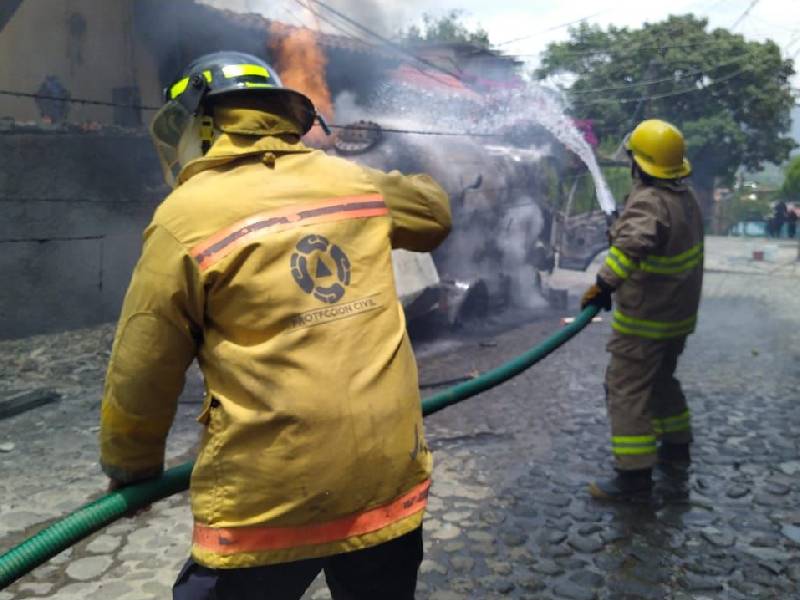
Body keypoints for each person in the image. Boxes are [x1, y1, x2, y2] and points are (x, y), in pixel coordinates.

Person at [98, 51, 451, 599]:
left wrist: (132, 467)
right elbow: (433, 214)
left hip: (270, 502)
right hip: (386, 486)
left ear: (202, 122)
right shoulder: (354, 182)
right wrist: (373, 173)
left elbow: (143, 365)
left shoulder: (183, 217)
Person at [581, 119, 703, 500]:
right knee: (662, 380)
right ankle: (677, 448)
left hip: (646, 319)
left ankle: (633, 477)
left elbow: (632, 247)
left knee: (626, 388)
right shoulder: (685, 198)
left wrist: (602, 285)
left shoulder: (650, 200)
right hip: (676, 318)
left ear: (642, 163)